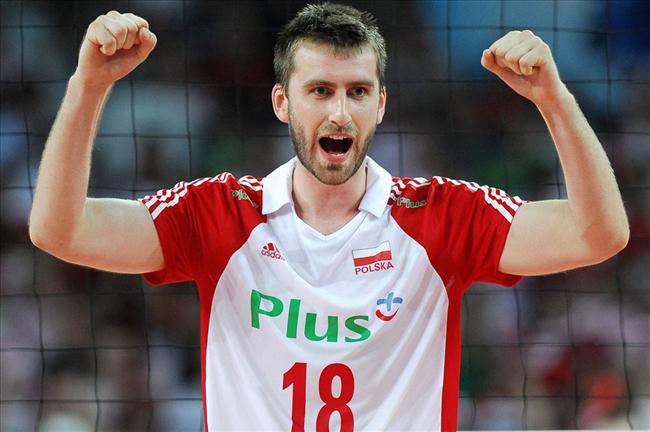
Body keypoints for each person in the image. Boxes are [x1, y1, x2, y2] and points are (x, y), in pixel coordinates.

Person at [29, 3, 629, 431]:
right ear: (282, 102)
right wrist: (89, 85)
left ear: (381, 104)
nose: (340, 112)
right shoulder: (217, 212)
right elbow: (59, 231)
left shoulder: (443, 214)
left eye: (357, 91)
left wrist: (553, 99)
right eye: (320, 90)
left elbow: (599, 235)